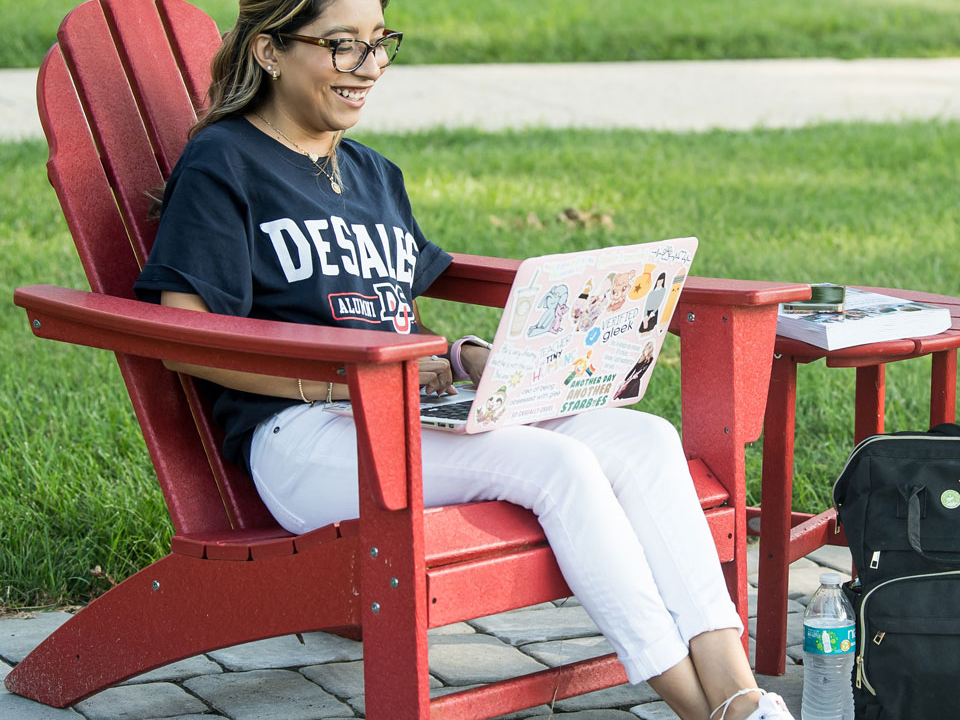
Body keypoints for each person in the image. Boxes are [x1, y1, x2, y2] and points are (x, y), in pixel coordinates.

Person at [134, 2, 795, 719]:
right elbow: (184, 336)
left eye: (379, 43)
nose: (370, 66)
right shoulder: (225, 162)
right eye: (342, 47)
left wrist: (468, 354)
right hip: (301, 438)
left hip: (407, 417)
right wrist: (344, 377)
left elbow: (386, 314)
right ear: (269, 50)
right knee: (560, 466)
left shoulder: (373, 175)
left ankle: (740, 695)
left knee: (645, 441)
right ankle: (702, 712)